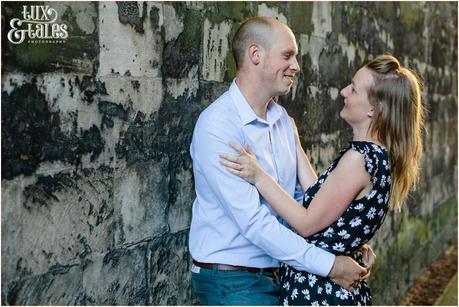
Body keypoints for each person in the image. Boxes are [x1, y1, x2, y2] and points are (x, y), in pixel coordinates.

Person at [189, 16, 375, 306]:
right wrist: (330, 265)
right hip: (232, 280)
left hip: (283, 273)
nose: (297, 66)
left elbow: (303, 205)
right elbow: (255, 223)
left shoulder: (283, 123)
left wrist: (347, 242)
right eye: (287, 55)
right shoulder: (219, 126)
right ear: (255, 55)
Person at [219, 54, 426, 305]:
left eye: (354, 88)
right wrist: (294, 143)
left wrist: (258, 176)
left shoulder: (359, 159)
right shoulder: (377, 157)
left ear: (374, 108)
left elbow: (307, 223)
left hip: (320, 291)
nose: (343, 91)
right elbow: (323, 199)